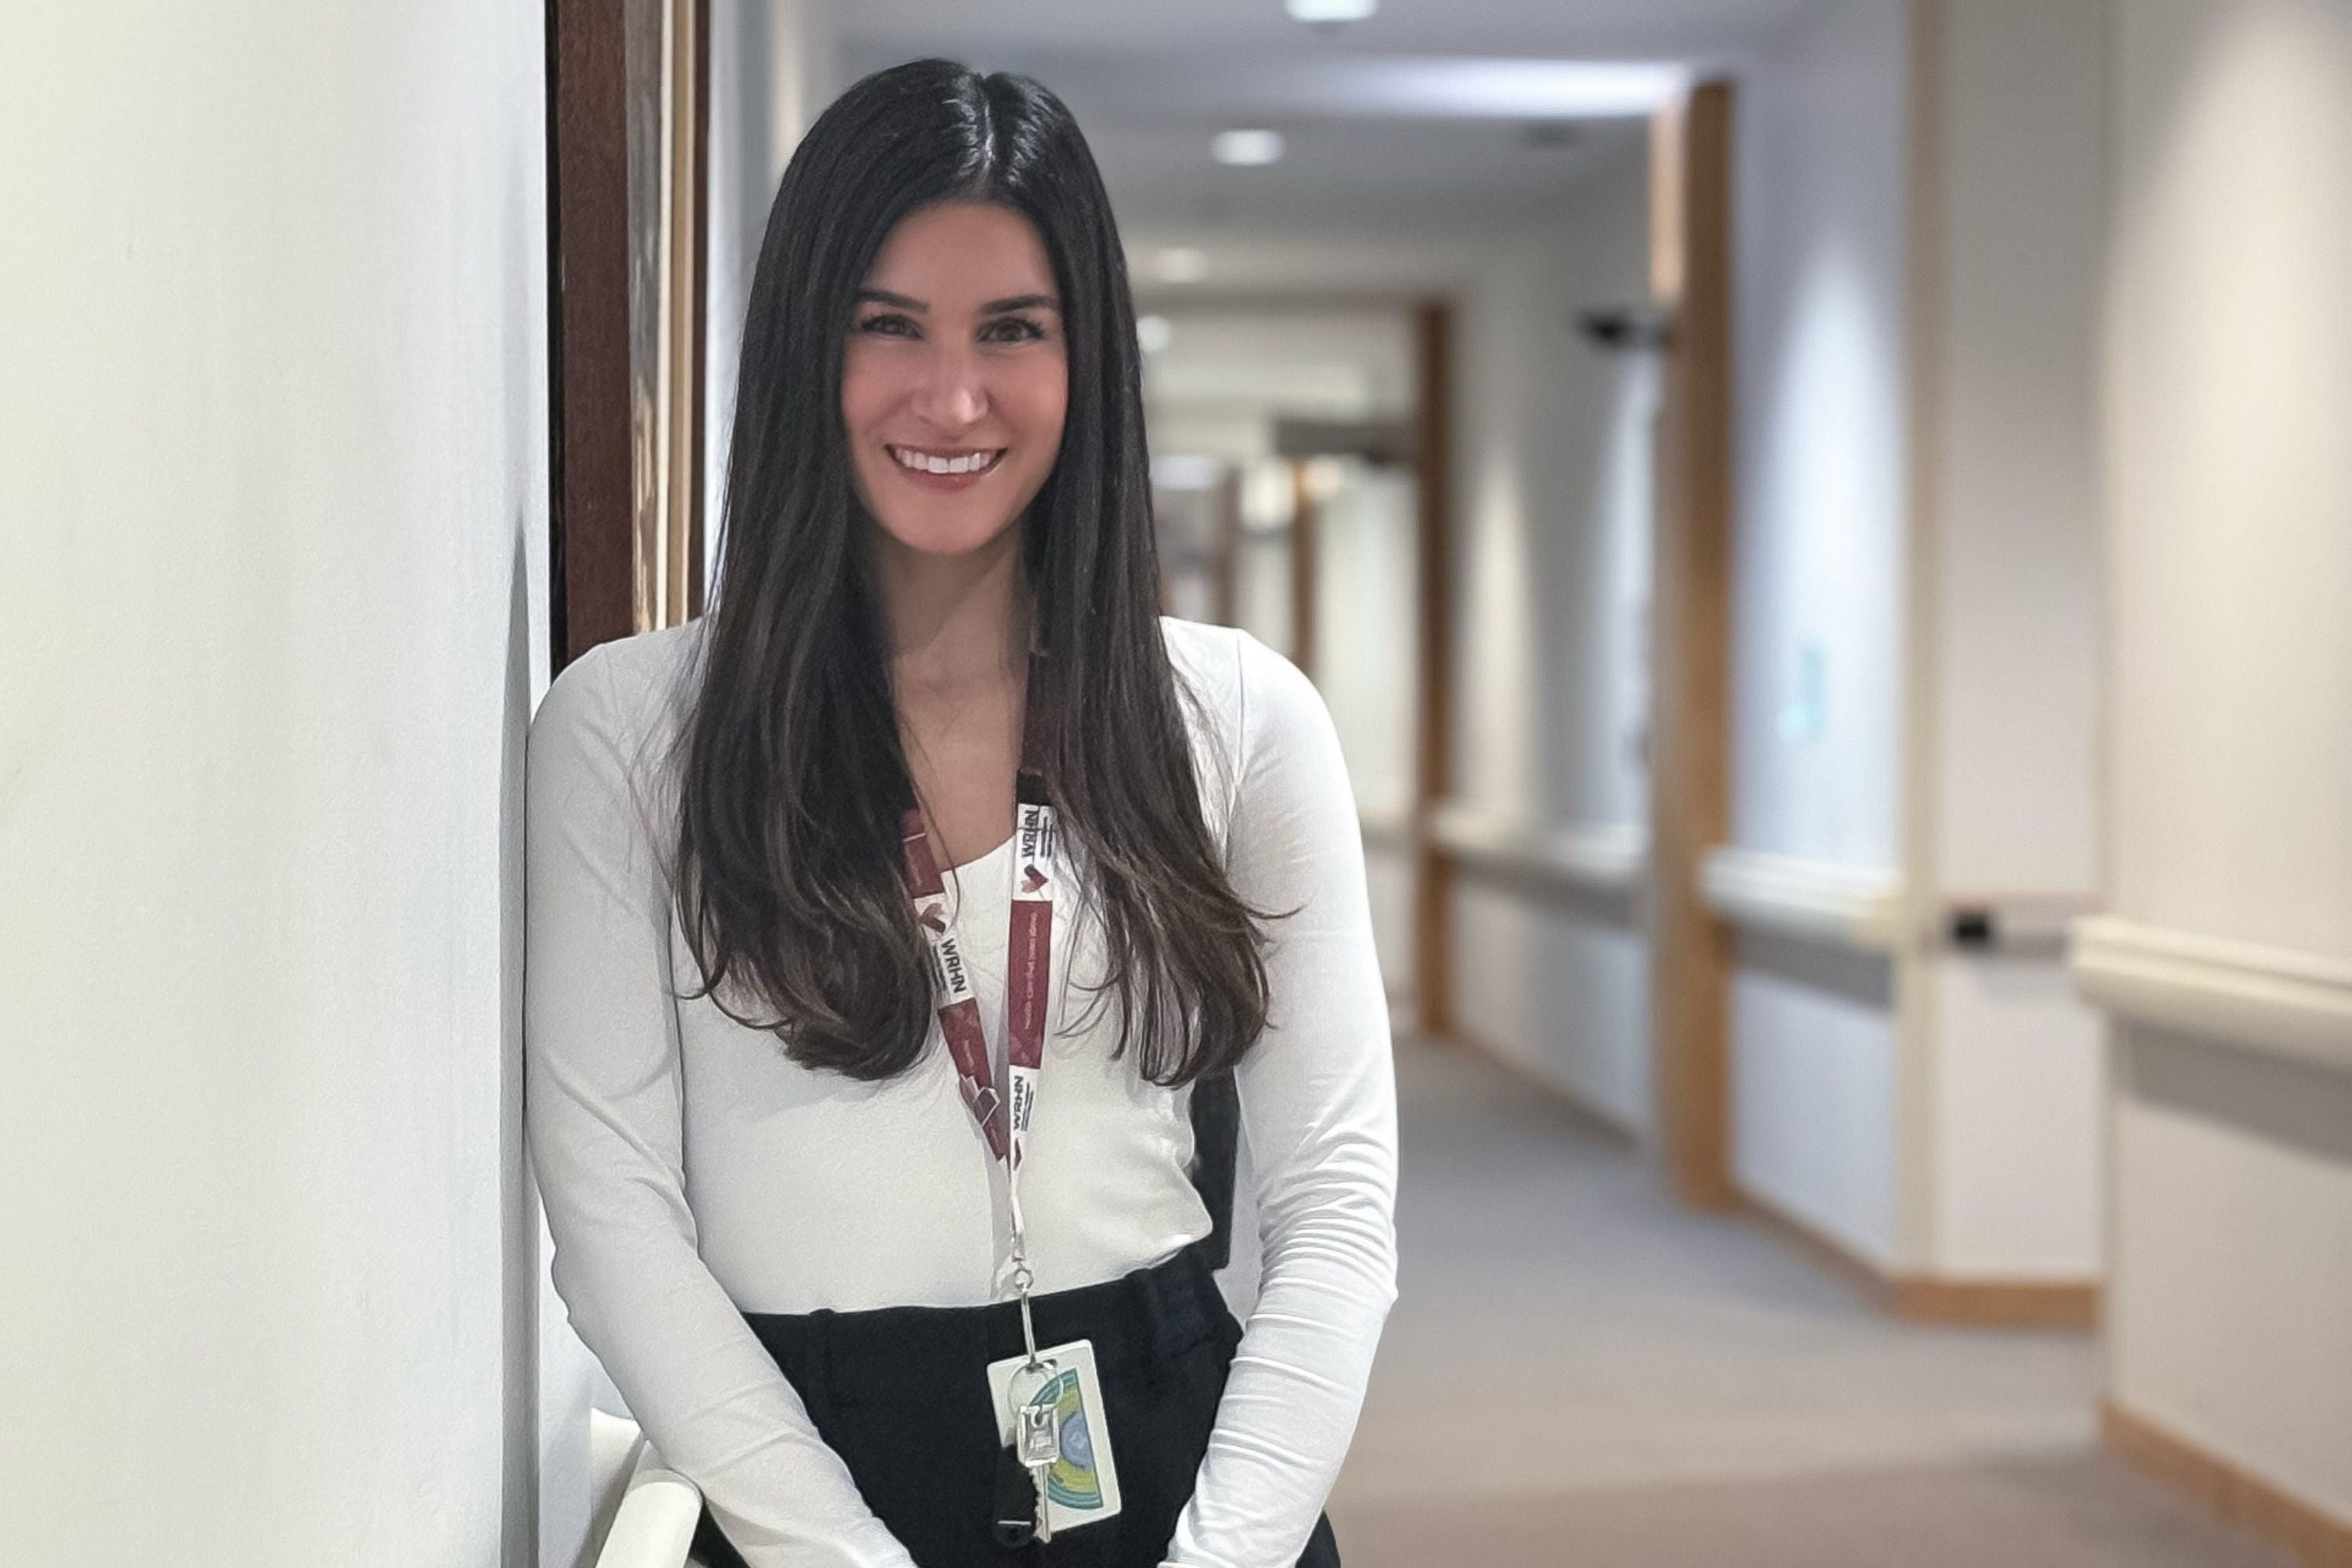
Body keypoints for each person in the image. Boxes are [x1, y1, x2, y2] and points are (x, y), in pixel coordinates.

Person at [525, 58, 1398, 1568]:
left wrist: (1226, 1554)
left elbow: (1337, 1206)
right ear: (806, 348)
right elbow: (613, 1223)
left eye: (1012, 330)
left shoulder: (1239, 719)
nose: (951, 397)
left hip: (1178, 1464)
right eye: (889, 327)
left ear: (1085, 359)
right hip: (803, 1487)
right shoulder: (633, 731)